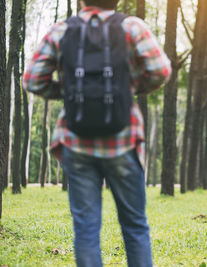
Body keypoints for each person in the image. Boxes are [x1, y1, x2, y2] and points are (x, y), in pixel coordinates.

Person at [24, 0, 171, 266]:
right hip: (123, 139)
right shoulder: (132, 27)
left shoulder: (61, 30)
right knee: (135, 226)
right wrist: (129, 88)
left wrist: (65, 92)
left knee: (86, 229)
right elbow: (160, 70)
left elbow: (33, 78)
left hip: (76, 140)